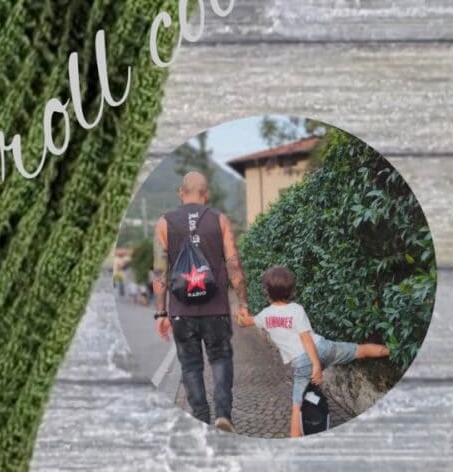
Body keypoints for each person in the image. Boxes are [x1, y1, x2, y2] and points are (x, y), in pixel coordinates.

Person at [153, 170, 254, 430]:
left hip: (181, 312)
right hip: (216, 308)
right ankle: (223, 415)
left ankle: (200, 418)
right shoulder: (219, 219)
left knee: (190, 367)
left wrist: (161, 313)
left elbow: (159, 273)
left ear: (181, 192)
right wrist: (243, 305)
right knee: (220, 359)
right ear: (206, 194)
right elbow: (233, 264)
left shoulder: (164, 223)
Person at [255, 264, 391, 432]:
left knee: (297, 406)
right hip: (324, 347)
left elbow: (305, 340)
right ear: (291, 290)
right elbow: (308, 338)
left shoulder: (265, 315)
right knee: (360, 350)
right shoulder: (296, 309)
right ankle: (394, 351)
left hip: (305, 361)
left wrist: (317, 366)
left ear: (266, 291)